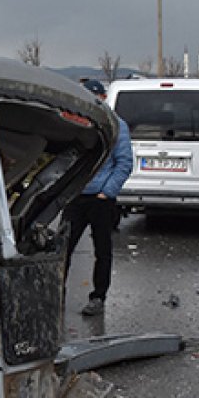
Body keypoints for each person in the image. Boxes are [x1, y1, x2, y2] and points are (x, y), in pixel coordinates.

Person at [64, 79, 132, 316]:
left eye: (94, 97)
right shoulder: (77, 123)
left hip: (101, 199)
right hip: (75, 197)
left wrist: (107, 192)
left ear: (103, 98)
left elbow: (124, 163)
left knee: (102, 250)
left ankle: (98, 297)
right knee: (63, 248)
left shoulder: (116, 126)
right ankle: (55, 295)